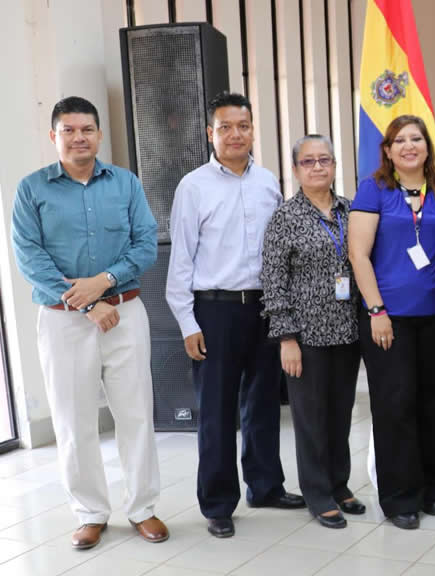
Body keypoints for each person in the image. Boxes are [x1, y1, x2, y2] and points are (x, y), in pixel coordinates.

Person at [11, 96, 169, 549]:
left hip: (125, 311)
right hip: (63, 320)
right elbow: (29, 257)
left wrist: (103, 282)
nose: (78, 137)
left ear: (99, 135)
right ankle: (90, 512)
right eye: (69, 130)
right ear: (54, 136)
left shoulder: (125, 183)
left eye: (86, 129)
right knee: (73, 418)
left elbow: (145, 243)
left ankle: (143, 508)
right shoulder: (31, 189)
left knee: (135, 412)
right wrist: (86, 304)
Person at [166, 92, 304, 539]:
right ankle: (219, 502)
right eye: (225, 127)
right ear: (211, 134)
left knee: (264, 402)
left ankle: (265, 486)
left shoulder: (267, 182)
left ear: (252, 130)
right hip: (215, 311)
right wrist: (188, 324)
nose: (235, 134)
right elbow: (180, 261)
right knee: (217, 411)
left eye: (243, 125)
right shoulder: (194, 186)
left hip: (264, 307)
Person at [347, 115, 435, 530]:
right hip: (388, 318)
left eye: (416, 138)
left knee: (433, 405)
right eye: (400, 140)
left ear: (428, 147)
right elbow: (358, 254)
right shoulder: (374, 189)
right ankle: (399, 498)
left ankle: (433, 487)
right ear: (389, 150)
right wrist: (376, 310)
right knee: (394, 406)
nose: (409, 145)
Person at [260, 135, 366, 529]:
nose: (318, 167)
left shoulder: (351, 212)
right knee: (310, 419)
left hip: (348, 332)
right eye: (308, 161)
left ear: (335, 165)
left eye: (325, 159)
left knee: (340, 416)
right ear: (296, 170)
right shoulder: (284, 218)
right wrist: (286, 338)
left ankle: (340, 485)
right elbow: (272, 280)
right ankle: (318, 493)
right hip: (305, 339)